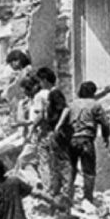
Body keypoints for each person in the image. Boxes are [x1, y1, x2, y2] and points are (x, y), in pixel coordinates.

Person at [58, 81, 110, 204]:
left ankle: (68, 196)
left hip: (72, 140)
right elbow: (105, 123)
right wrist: (106, 137)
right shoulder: (95, 105)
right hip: (86, 140)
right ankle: (88, 198)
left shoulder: (71, 104)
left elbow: (63, 123)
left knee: (71, 169)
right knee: (89, 171)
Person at [30, 68, 71, 197]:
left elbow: (66, 109)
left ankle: (64, 192)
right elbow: (44, 114)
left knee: (60, 162)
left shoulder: (55, 93)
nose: (40, 84)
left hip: (56, 132)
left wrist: (58, 125)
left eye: (40, 81)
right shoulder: (50, 95)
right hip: (51, 131)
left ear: (45, 80)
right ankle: (55, 190)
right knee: (53, 161)